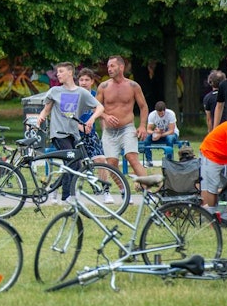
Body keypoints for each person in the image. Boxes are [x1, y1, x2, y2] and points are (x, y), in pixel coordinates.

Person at [35, 62, 104, 202]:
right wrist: (41, 116)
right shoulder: (55, 91)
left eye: (61, 71)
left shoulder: (81, 92)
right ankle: (67, 197)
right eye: (57, 72)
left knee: (75, 164)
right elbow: (47, 109)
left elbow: (100, 107)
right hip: (59, 133)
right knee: (72, 162)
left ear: (70, 73)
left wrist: (91, 119)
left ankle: (54, 187)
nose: (58, 74)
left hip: (74, 134)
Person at [96, 55, 149, 177]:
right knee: (111, 164)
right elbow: (95, 107)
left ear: (121, 67)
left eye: (112, 66)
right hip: (109, 131)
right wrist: (105, 116)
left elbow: (143, 106)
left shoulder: (133, 86)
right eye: (108, 66)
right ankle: (123, 191)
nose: (109, 69)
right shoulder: (103, 87)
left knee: (132, 158)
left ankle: (148, 192)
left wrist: (142, 126)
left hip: (127, 128)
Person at [76, 67, 104, 159]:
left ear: (92, 81)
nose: (84, 83)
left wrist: (104, 132)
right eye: (81, 80)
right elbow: (66, 115)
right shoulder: (73, 95)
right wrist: (79, 126)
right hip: (76, 133)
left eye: (87, 80)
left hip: (91, 133)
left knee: (100, 159)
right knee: (79, 162)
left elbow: (101, 115)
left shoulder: (95, 95)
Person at [143, 100, 179, 165]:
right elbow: (148, 130)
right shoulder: (152, 115)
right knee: (147, 139)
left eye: (162, 113)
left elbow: (171, 131)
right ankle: (149, 161)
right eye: (159, 113)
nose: (160, 115)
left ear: (165, 110)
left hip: (170, 134)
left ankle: (169, 160)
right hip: (158, 134)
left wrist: (160, 135)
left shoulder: (171, 114)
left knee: (170, 139)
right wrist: (154, 133)